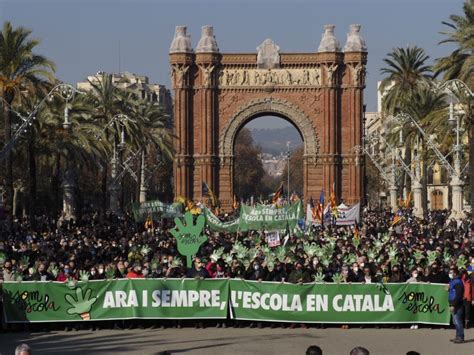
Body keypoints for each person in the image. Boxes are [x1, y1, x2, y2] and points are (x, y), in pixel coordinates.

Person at [448, 267, 465, 344]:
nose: (450, 274)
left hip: (457, 304)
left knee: (458, 321)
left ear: (455, 273)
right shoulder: (453, 281)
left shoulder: (458, 282)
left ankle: (461, 337)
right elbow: (453, 291)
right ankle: (457, 336)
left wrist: (453, 305)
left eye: (451, 272)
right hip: (453, 303)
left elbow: (458, 295)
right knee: (455, 321)